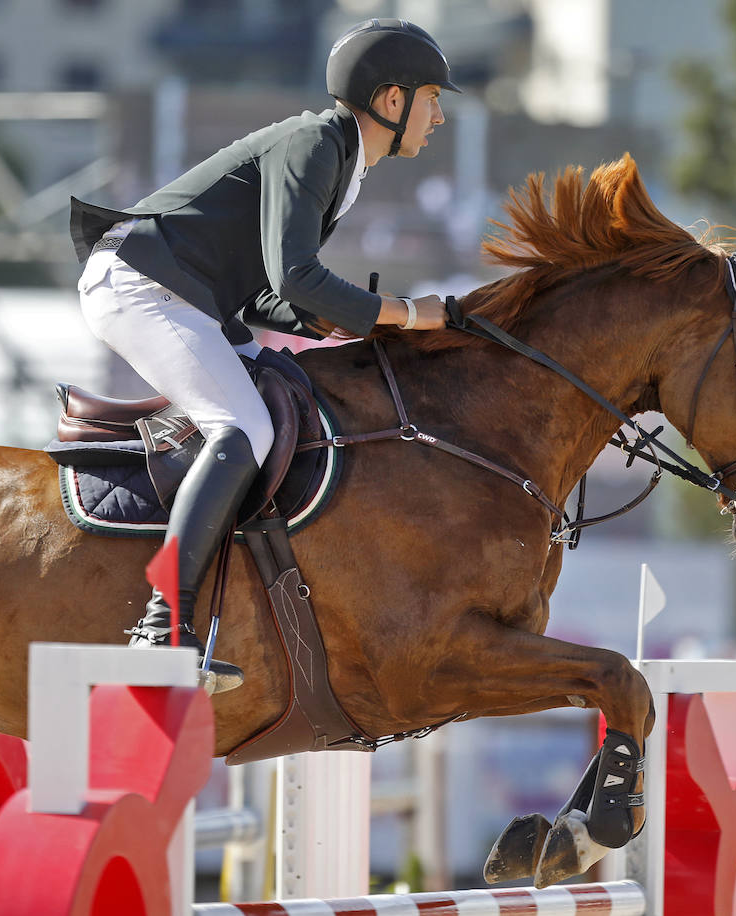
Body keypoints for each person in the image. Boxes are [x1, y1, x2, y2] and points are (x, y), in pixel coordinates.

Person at [68, 19, 460, 693]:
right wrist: (403, 312)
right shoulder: (316, 145)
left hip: (196, 295)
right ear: (392, 101)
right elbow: (297, 278)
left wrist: (335, 324)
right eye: (432, 97)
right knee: (244, 426)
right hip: (143, 284)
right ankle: (163, 627)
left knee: (288, 392)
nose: (441, 116)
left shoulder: (343, 162)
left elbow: (269, 296)